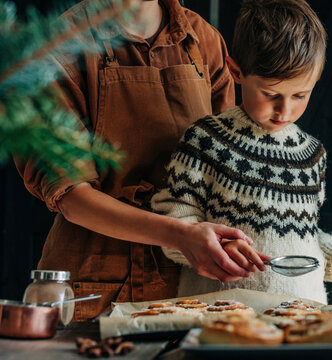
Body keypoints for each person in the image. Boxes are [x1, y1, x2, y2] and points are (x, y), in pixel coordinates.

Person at [14, 0, 256, 321]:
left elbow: (222, 172)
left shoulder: (204, 39)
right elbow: (71, 195)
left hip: (188, 287)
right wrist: (180, 235)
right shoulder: (60, 45)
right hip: (93, 285)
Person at [152, 0, 332, 304]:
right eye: (270, 94)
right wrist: (215, 247)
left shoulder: (312, 154)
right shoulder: (206, 141)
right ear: (236, 72)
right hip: (222, 317)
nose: (285, 109)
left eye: (300, 94)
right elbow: (174, 221)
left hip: (303, 317)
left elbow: (304, 234)